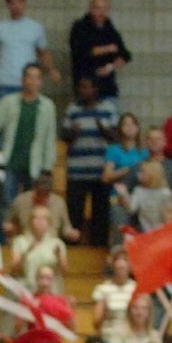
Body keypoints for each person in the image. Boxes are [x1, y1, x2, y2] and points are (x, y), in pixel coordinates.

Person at [0, 64, 59, 213]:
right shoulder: (8, 102)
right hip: (9, 162)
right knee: (6, 204)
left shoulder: (47, 106)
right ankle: (5, 236)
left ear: (41, 82)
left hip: (35, 165)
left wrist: (48, 166)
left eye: (36, 77)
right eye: (28, 76)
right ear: (22, 80)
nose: (32, 81)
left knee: (33, 206)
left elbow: (49, 138)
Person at [63, 76, 119, 247]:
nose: (83, 91)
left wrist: (103, 129)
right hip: (76, 171)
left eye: (87, 87)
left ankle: (98, 248)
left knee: (100, 214)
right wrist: (73, 132)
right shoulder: (73, 109)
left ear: (95, 89)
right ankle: (73, 249)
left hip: (100, 171)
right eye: (81, 87)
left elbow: (116, 136)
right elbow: (64, 137)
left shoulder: (108, 108)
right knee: (74, 213)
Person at [67, 0, 129, 99]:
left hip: (107, 86)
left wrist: (111, 66)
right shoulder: (80, 27)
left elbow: (125, 54)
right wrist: (106, 49)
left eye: (105, 8)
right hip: (86, 86)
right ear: (91, 9)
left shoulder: (110, 29)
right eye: (98, 8)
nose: (101, 12)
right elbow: (80, 51)